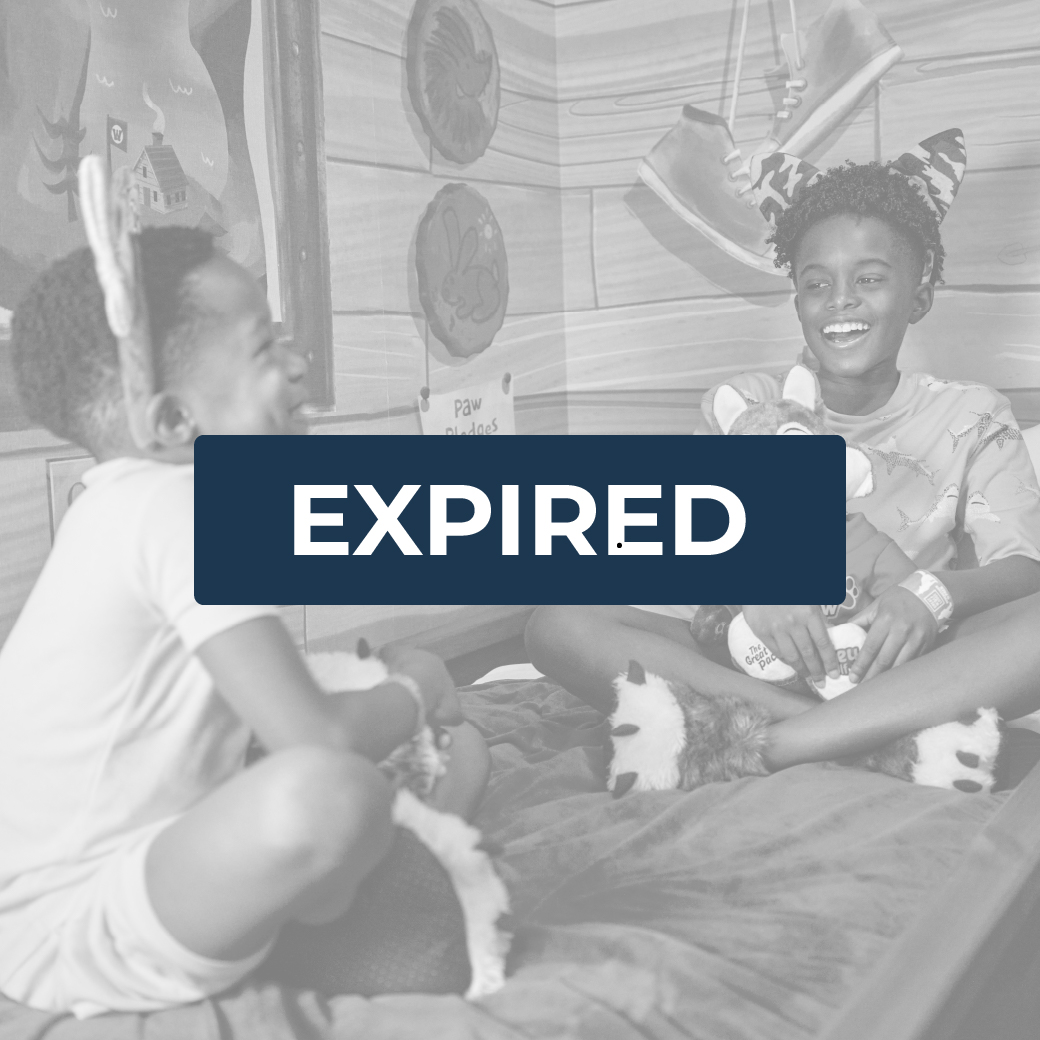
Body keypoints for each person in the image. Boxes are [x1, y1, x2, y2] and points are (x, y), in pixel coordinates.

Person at [0, 227, 490, 1018]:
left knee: (450, 757)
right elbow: (317, 740)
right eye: (265, 347)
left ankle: (366, 886)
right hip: (76, 923)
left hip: (150, 874)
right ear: (173, 419)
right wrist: (417, 687)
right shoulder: (176, 507)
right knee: (333, 793)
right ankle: (349, 905)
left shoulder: (123, 504)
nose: (297, 365)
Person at [527, 157, 1040, 724]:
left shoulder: (973, 415)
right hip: (749, 657)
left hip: (895, 660)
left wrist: (932, 594)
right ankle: (829, 730)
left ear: (918, 297)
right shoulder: (745, 406)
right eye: (817, 284)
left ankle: (780, 740)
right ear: (798, 303)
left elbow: (1024, 569)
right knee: (559, 625)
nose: (840, 300)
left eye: (869, 279)